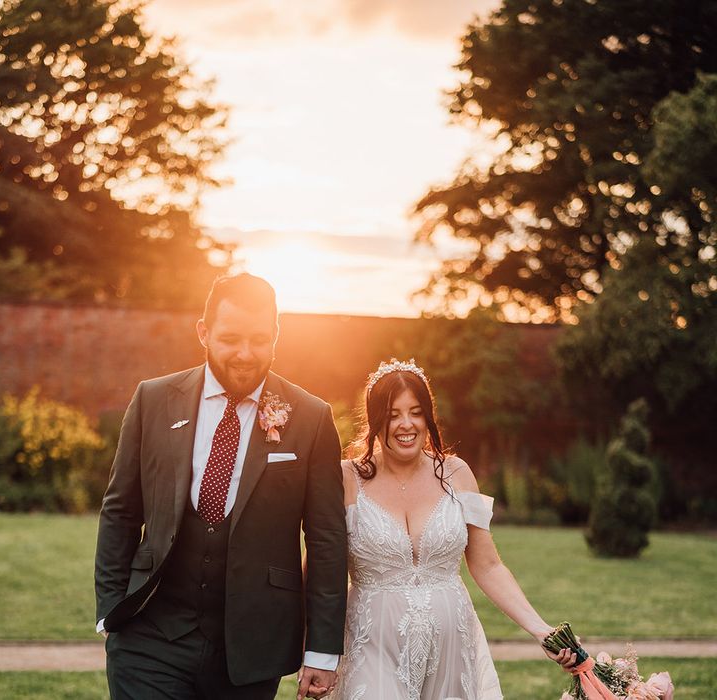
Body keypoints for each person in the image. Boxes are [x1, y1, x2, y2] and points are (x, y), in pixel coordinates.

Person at [94, 273, 348, 700]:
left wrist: (322, 650)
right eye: (230, 339)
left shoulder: (311, 417)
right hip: (149, 637)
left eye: (259, 339)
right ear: (204, 333)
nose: (245, 354)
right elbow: (120, 509)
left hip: (252, 647)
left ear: (276, 337)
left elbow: (326, 538)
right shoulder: (154, 400)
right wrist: (110, 609)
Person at [332, 359, 577, 700]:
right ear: (376, 420)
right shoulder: (347, 478)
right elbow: (318, 567)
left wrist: (541, 630)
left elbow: (488, 564)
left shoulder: (456, 473)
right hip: (372, 644)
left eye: (416, 412)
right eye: (393, 414)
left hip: (451, 647)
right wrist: (313, 652)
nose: (407, 424)